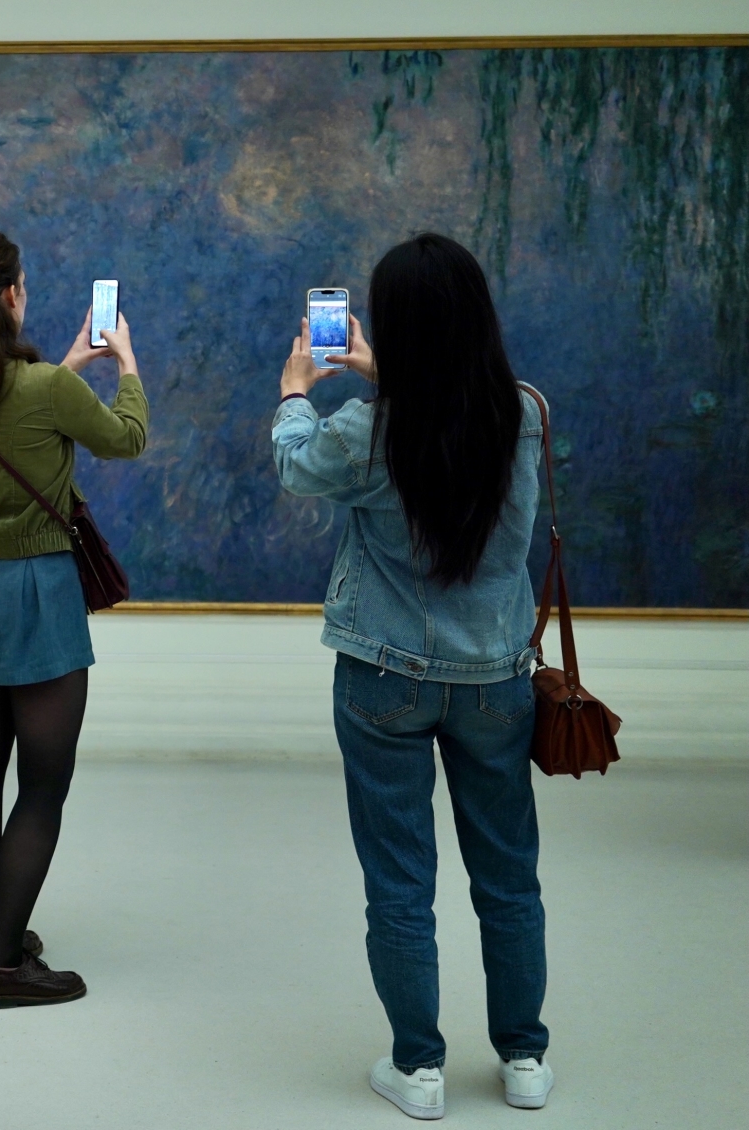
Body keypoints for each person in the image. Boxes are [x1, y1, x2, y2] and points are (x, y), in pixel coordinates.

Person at [273, 233, 554, 1119]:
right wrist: (382, 374)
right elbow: (449, 413)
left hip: (382, 677)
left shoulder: (367, 430)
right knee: (508, 876)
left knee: (400, 882)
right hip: (495, 680)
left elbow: (295, 465)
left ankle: (419, 1070)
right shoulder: (525, 415)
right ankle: (525, 1060)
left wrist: (295, 391)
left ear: (393, 325)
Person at [0, 229, 146, 1008]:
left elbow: (8, 417)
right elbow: (126, 439)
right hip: (33, 594)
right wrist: (125, 365)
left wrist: (65, 368)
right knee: (43, 785)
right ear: (12, 294)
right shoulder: (45, 388)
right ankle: (6, 970)